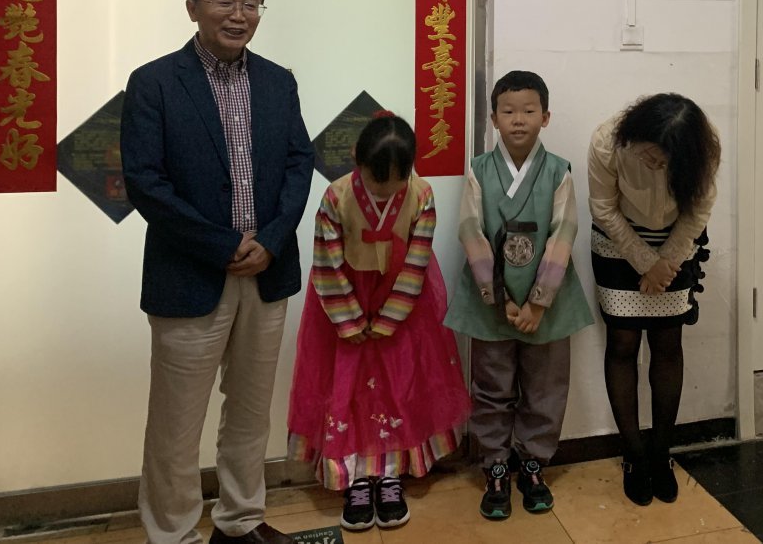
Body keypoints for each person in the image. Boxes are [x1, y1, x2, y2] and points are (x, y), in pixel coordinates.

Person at [121, 0, 315, 544]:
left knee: (252, 411)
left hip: (267, 272)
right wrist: (226, 244)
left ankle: (240, 521)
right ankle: (173, 533)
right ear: (193, 8)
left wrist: (272, 240)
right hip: (190, 274)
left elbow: (297, 163)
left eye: (251, 3)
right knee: (177, 423)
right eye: (225, 1)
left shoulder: (279, 81)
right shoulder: (153, 82)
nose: (239, 14)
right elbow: (145, 182)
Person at [287, 112, 470, 531]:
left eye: (395, 183)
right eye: (375, 181)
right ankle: (355, 478)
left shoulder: (421, 195)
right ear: (357, 160)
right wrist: (350, 321)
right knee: (347, 385)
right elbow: (326, 263)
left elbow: (418, 261)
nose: (385, 191)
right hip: (344, 301)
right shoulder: (335, 198)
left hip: (403, 303)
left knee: (398, 383)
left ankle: (389, 475)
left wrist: (389, 318)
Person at [445, 70, 594, 520]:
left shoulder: (558, 171)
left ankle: (532, 463)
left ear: (546, 117)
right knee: (491, 386)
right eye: (508, 111)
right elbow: (470, 231)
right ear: (493, 118)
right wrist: (498, 297)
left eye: (529, 111)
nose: (518, 120)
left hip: (545, 302)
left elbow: (563, 233)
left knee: (545, 387)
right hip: (492, 299)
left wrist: (537, 301)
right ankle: (494, 466)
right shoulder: (479, 169)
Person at [587, 93, 720, 506]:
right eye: (650, 158)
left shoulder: (704, 145)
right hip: (617, 242)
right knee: (623, 343)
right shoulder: (607, 141)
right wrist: (646, 262)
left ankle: (661, 454)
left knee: (667, 343)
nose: (657, 166)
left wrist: (666, 263)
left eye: (665, 162)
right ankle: (633, 454)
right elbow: (604, 209)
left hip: (676, 244)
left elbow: (699, 210)